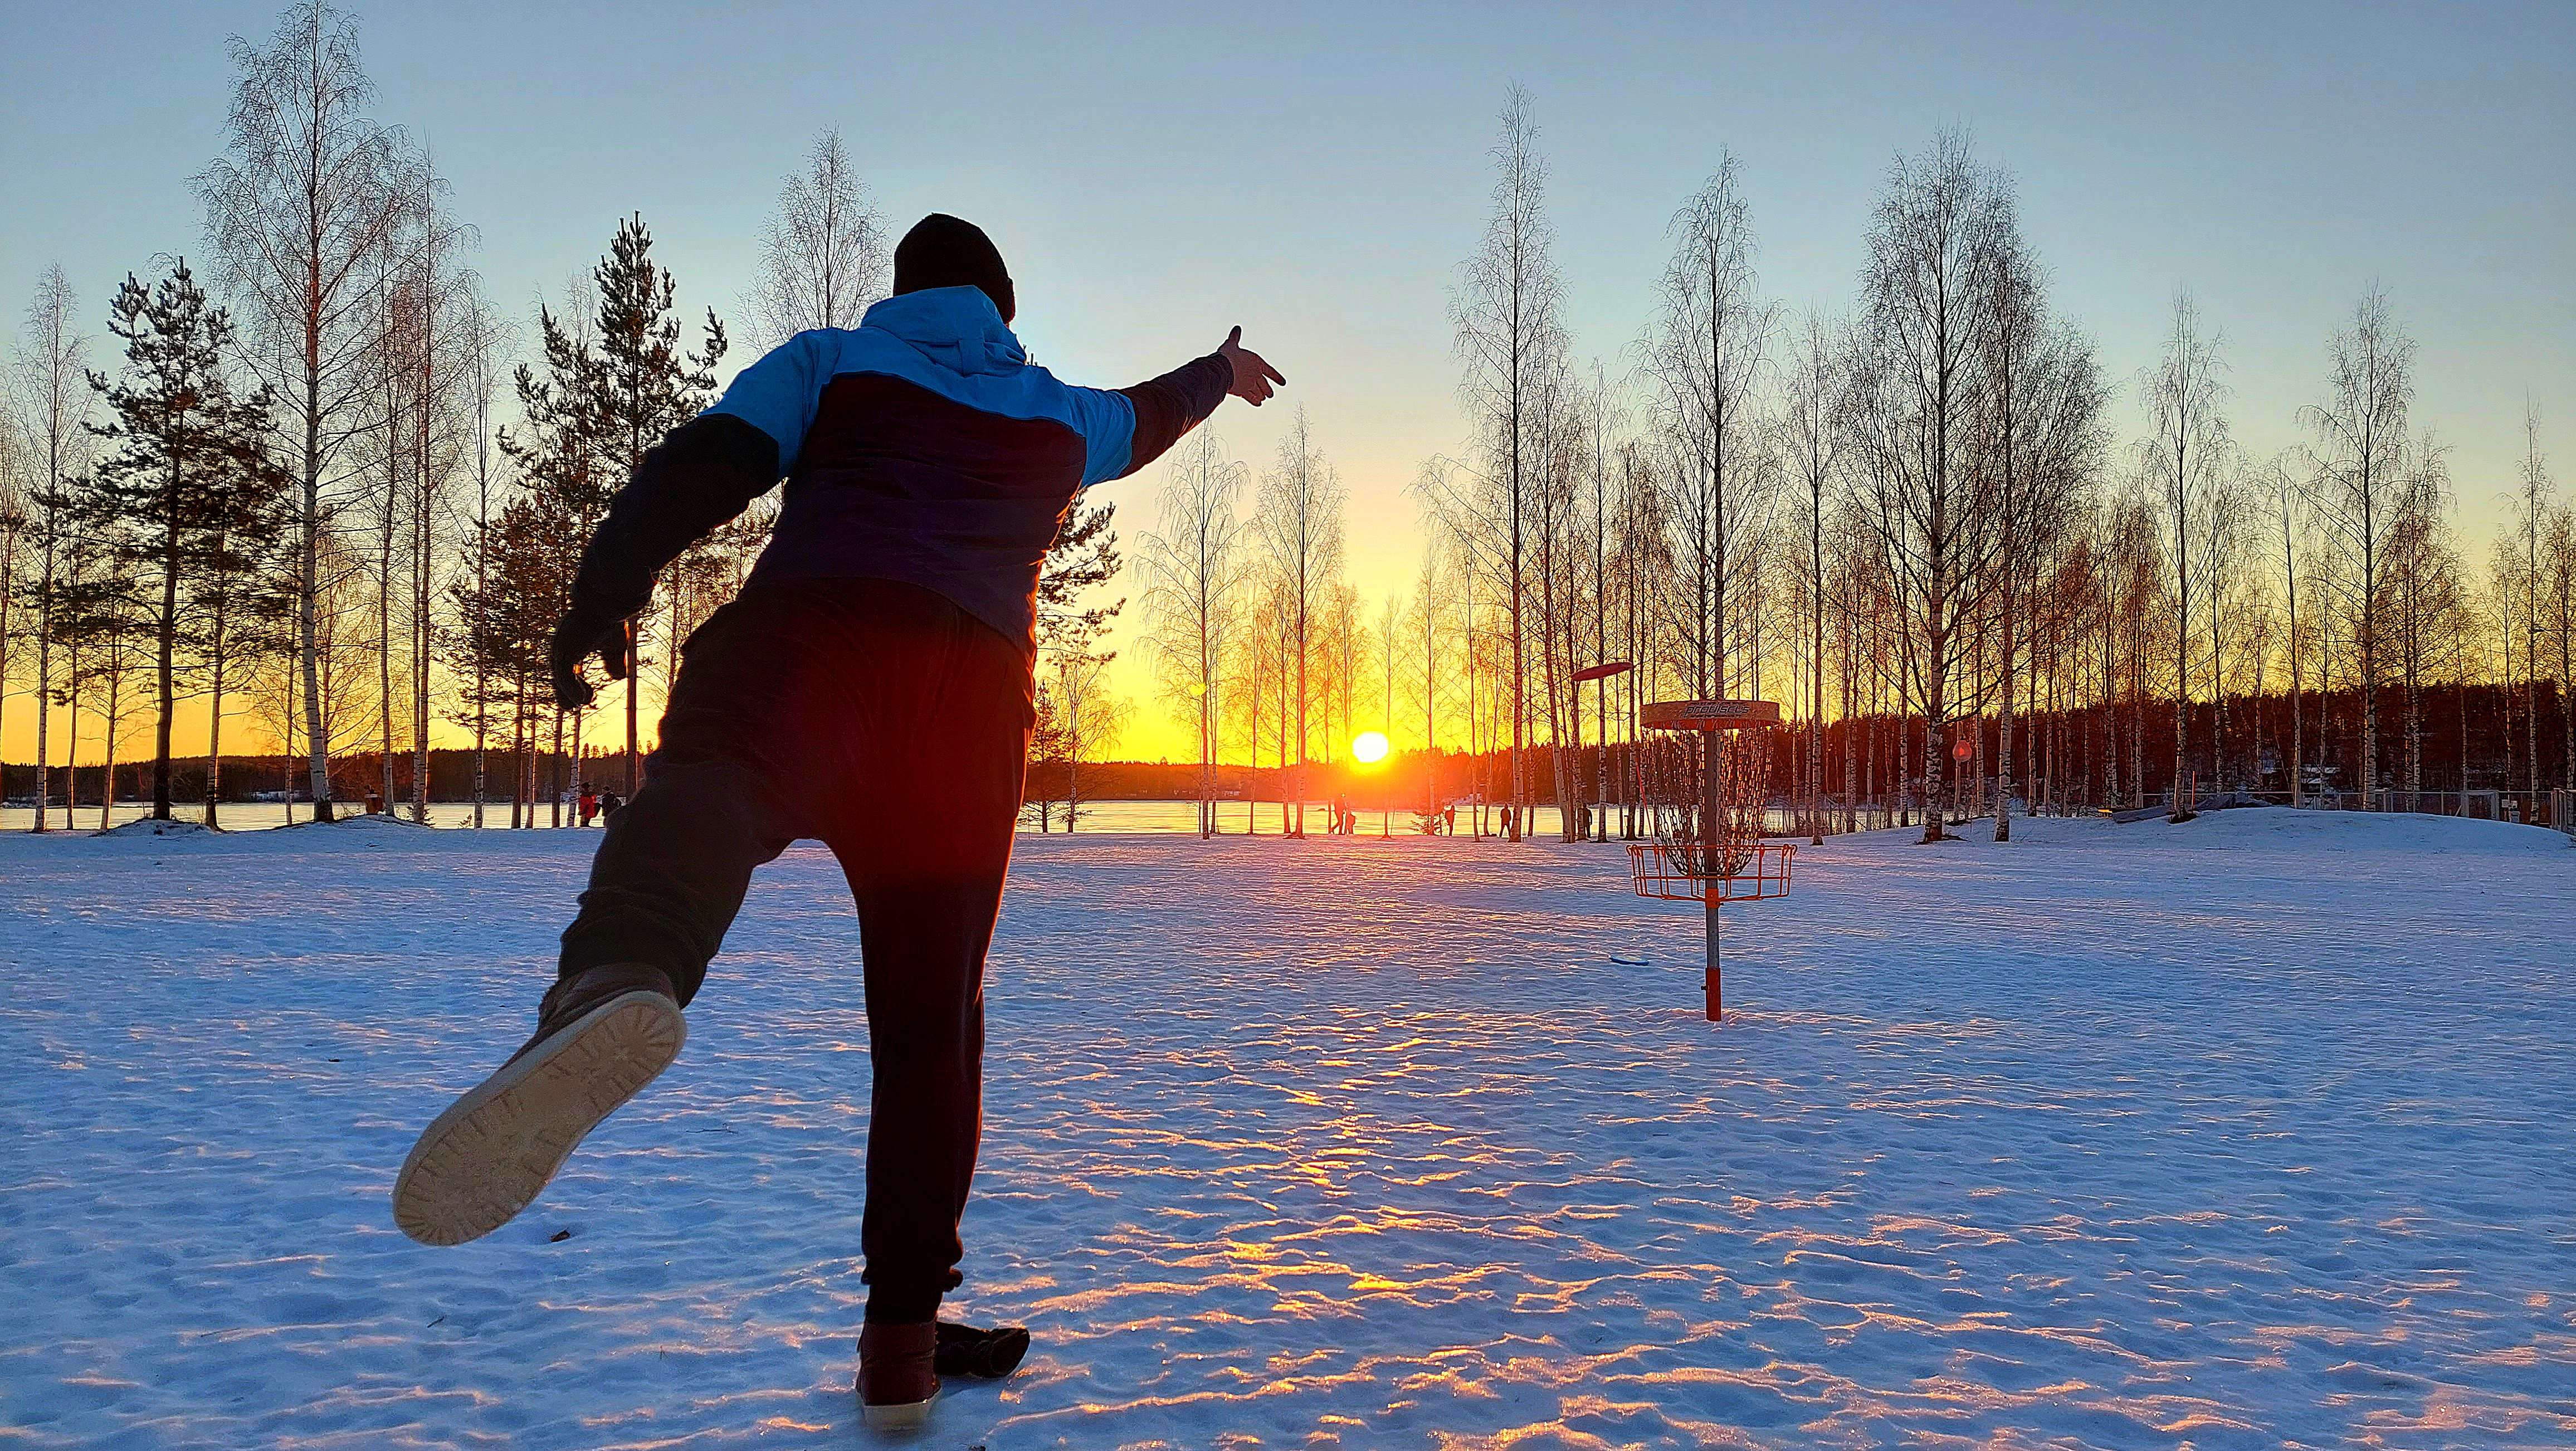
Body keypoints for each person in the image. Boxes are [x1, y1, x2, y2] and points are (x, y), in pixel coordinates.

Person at [391, 213, 1284, 1429]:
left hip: (816, 643)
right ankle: (901, 1354)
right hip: (966, 706)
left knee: (713, 786)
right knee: (931, 1031)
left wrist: (607, 588)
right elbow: (1151, 412)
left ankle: (615, 978)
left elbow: (702, 463)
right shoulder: (1058, 413)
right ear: (1002, 309)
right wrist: (1220, 375)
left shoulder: (833, 361)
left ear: (901, 296)